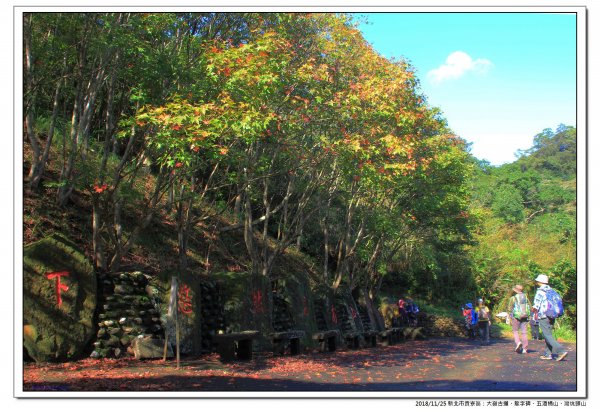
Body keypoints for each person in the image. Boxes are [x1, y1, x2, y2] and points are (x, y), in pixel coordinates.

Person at [532, 274, 568, 361]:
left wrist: (533, 311)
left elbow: (536, 305)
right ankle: (548, 354)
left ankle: (561, 351)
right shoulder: (551, 291)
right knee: (548, 334)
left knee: (547, 335)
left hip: (543, 315)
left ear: (540, 282)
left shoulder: (540, 291)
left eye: (537, 281)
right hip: (552, 315)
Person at [508, 284, 530, 354]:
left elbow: (509, 308)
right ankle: (525, 348)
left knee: (515, 331)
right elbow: (530, 306)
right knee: (524, 332)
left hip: (516, 316)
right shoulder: (526, 297)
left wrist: (509, 316)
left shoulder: (513, 298)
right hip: (525, 316)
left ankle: (518, 342)